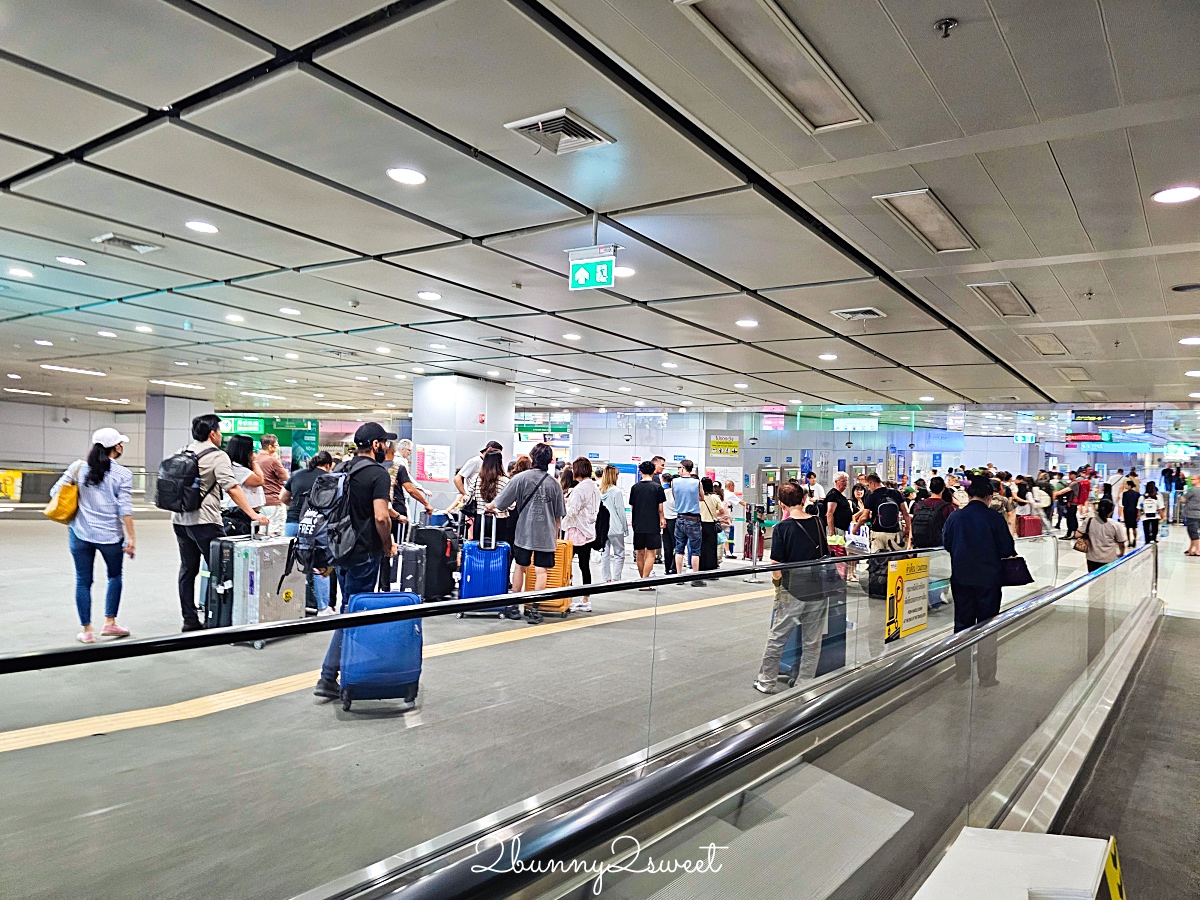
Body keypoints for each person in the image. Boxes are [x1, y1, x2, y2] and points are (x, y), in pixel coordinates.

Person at [313, 423, 399, 698]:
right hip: (364, 552)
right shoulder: (378, 474)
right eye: (385, 442)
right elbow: (380, 517)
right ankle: (328, 676)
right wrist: (387, 544)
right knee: (352, 611)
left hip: (340, 549)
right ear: (376, 445)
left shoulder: (340, 469)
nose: (388, 447)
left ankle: (352, 668)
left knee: (349, 606)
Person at [172, 415, 269, 632]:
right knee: (221, 570)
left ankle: (189, 619)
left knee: (188, 569)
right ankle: (214, 619)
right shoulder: (217, 456)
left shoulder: (183, 450)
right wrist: (253, 515)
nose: (221, 435)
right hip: (205, 520)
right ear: (213, 433)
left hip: (179, 520)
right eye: (220, 431)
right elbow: (232, 488)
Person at [51, 428, 136, 644]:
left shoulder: (78, 468)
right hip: (110, 536)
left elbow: (55, 493)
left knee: (83, 581)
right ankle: (110, 623)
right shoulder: (123, 474)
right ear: (116, 447)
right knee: (114, 576)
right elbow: (125, 509)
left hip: (80, 533)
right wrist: (131, 538)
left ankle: (87, 631)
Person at [753, 482, 831, 694]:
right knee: (812, 640)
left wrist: (778, 587)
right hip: (818, 588)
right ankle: (805, 682)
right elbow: (825, 553)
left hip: (792, 589)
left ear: (781, 504)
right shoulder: (817, 522)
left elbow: (776, 566)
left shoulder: (781, 528)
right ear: (804, 500)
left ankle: (766, 681)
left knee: (778, 636)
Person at [941, 474, 1015, 687]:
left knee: (962, 626)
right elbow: (1007, 549)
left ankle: (961, 673)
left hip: (961, 578)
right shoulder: (994, 518)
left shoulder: (955, 517)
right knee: (988, 627)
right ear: (989, 496)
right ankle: (987, 677)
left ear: (970, 494)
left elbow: (946, 543)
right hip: (988, 582)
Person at [488, 442, 566, 622]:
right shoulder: (554, 483)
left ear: (532, 458)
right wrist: (554, 538)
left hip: (523, 532)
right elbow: (558, 516)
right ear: (550, 460)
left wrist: (488, 507)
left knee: (520, 567)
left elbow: (501, 502)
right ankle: (534, 609)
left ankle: (515, 606)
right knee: (541, 571)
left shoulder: (520, 479)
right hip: (546, 536)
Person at [280, 451, 335, 615]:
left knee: (290, 565)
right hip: (314, 526)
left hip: (292, 522)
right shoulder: (329, 478)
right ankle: (323, 607)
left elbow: (282, 497)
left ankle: (289, 603)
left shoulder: (296, 474)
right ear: (328, 465)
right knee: (319, 565)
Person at [562, 457, 600, 612]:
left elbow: (572, 511)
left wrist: (565, 506)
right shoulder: (594, 486)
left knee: (567, 564)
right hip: (589, 530)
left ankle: (566, 596)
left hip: (576, 530)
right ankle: (586, 598)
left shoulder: (579, 489)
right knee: (585, 566)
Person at [628, 460, 666, 584]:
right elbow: (660, 508)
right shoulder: (658, 488)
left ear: (641, 472)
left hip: (638, 523)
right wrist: (662, 519)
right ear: (653, 471)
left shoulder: (635, 487)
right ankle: (645, 580)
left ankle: (641, 579)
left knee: (639, 552)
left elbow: (632, 507)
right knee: (651, 552)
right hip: (652, 523)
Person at [857, 472, 911, 552]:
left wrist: (855, 528)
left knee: (877, 561)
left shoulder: (872, 496)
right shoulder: (895, 493)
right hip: (894, 533)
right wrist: (908, 527)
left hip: (878, 533)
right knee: (893, 561)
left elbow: (864, 517)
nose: (868, 489)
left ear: (873, 483)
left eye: (868, 485)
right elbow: (906, 513)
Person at [672, 459, 704, 584]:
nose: (678, 470)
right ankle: (695, 578)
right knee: (695, 550)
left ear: (684, 468)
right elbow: (701, 497)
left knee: (679, 548)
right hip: (694, 519)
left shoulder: (674, 482)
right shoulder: (697, 482)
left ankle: (679, 577)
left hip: (679, 517)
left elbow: (675, 496)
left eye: (679, 468)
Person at [392, 438, 434, 525]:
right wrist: (422, 489)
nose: (410, 453)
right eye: (409, 450)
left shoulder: (398, 460)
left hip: (395, 496)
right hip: (399, 496)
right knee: (406, 521)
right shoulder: (399, 462)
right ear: (402, 449)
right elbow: (408, 479)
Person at [256, 434, 290, 536]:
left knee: (262, 530)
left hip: (260, 501)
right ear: (270, 447)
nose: (277, 447)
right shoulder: (272, 460)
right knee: (274, 531)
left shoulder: (255, 459)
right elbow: (287, 477)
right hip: (274, 500)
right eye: (276, 445)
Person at [598, 465, 627, 582]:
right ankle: (616, 578)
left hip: (603, 528)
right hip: (615, 527)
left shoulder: (599, 491)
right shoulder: (617, 492)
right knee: (619, 553)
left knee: (605, 553)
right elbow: (621, 511)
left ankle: (606, 578)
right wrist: (625, 528)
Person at [1081, 498, 1126, 572]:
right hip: (1109, 559)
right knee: (1108, 581)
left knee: (1093, 580)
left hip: (1092, 558)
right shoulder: (1115, 525)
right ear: (1112, 511)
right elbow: (1121, 543)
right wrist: (1121, 553)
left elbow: (1078, 534)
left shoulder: (1089, 521)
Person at [910, 476, 955, 549]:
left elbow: (912, 525)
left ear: (930, 488)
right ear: (943, 489)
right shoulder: (947, 507)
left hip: (919, 546)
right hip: (938, 548)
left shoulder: (919, 505)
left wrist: (910, 544)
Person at [698, 476, 724, 573]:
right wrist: (713, 513)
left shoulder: (699, 497)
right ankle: (711, 566)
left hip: (700, 523)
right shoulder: (715, 497)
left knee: (700, 546)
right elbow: (721, 511)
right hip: (711, 524)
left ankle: (701, 566)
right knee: (712, 546)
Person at [1055, 471, 1082, 541]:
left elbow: (1065, 490)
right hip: (1072, 503)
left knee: (1070, 518)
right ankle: (1074, 533)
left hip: (1072, 503)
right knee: (1073, 517)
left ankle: (1069, 534)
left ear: (1074, 475)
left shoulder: (1074, 483)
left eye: (1070, 474)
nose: (1069, 476)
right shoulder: (1074, 483)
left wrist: (1056, 493)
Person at [825, 472, 852, 538]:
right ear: (836, 481)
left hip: (843, 528)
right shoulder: (833, 495)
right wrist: (831, 531)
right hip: (836, 528)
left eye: (846, 481)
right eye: (843, 481)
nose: (845, 483)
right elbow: (829, 513)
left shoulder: (841, 494)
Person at [661, 473, 677, 574]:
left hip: (665, 520)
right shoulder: (677, 494)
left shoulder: (663, 492)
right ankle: (673, 567)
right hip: (675, 520)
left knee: (667, 547)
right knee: (676, 546)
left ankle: (667, 569)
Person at [723, 479, 743, 558]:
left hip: (720, 516)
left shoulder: (723, 493)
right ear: (730, 486)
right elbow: (741, 502)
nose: (734, 487)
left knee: (724, 533)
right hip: (726, 516)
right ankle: (728, 551)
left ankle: (728, 551)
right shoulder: (730, 494)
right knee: (726, 533)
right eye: (733, 485)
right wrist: (751, 506)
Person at [1119, 479, 1140, 549]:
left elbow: (1123, 503)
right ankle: (1135, 540)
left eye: (1126, 485)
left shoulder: (1125, 494)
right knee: (1134, 527)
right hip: (1134, 511)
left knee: (1127, 527)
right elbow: (1138, 504)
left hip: (1127, 511)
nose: (1125, 486)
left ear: (1129, 485)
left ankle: (1129, 541)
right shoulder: (1137, 494)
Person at [1183, 475, 1200, 556]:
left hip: (1192, 515)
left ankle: (1197, 550)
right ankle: (1190, 549)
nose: (1191, 480)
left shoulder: (1193, 490)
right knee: (1193, 532)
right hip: (1198, 514)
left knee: (1193, 533)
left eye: (1193, 479)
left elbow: (1183, 499)